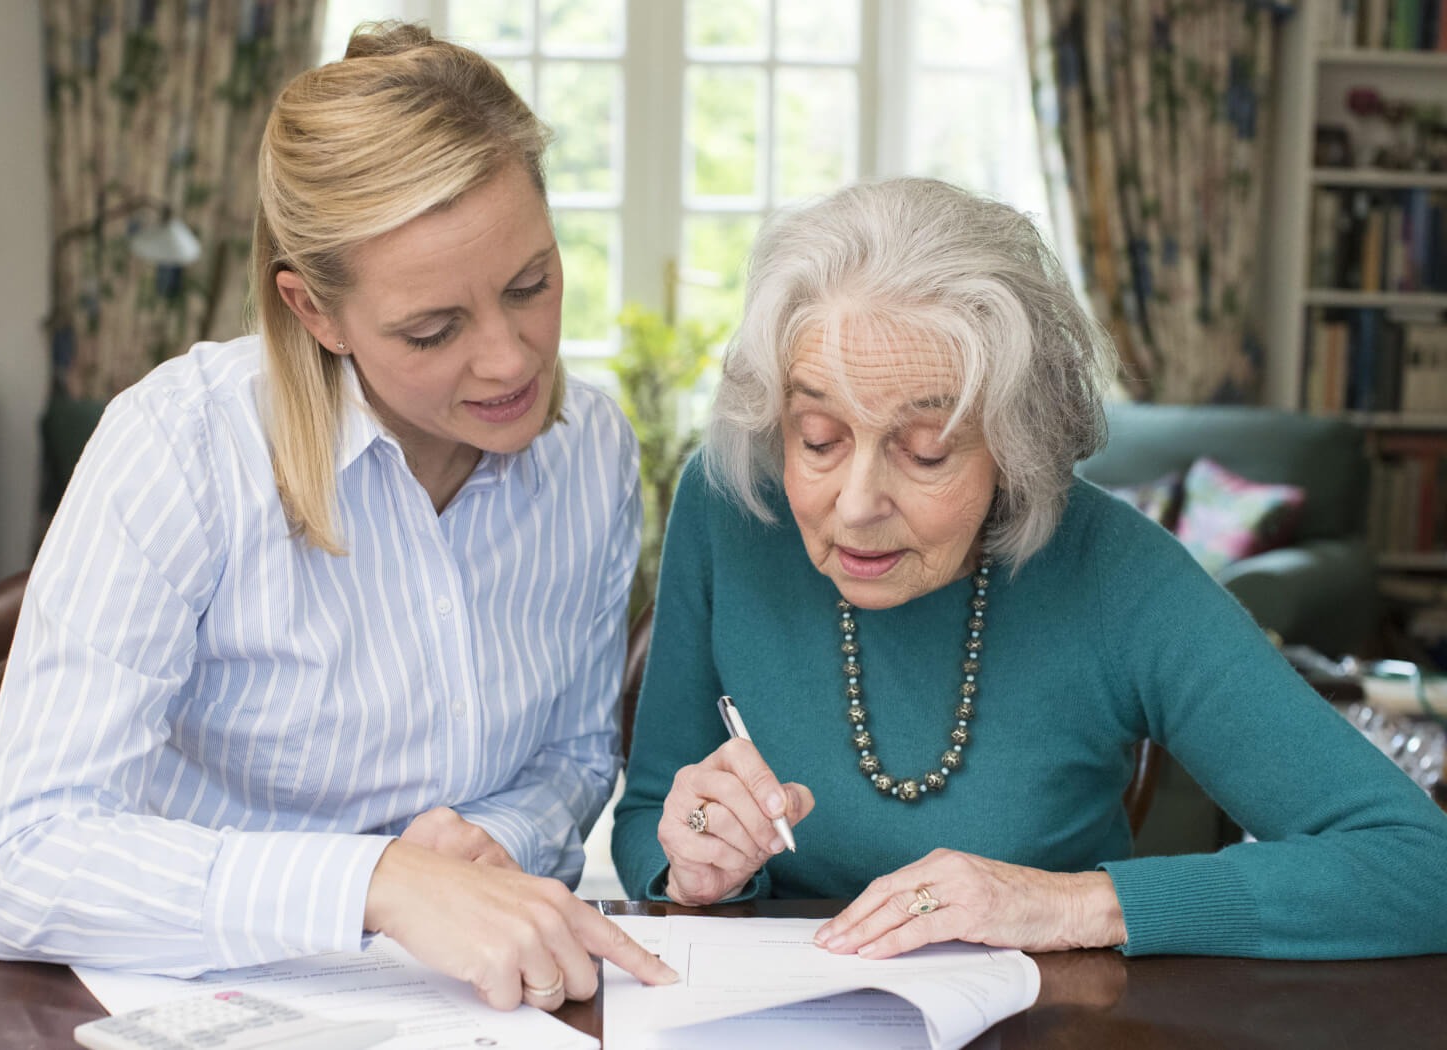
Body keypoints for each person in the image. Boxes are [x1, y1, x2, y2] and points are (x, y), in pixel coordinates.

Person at [0, 22, 676, 1009]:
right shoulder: (181, 448)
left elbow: (572, 756)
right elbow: (24, 860)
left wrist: (493, 846)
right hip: (206, 999)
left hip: (477, 1004)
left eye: (532, 285)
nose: (512, 360)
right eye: (432, 330)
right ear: (313, 311)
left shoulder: (591, 452)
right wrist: (378, 883)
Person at [612, 176, 1447, 959]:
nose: (857, 503)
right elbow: (652, 812)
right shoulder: (732, 504)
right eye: (819, 439)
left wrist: (1064, 904)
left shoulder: (1115, 571)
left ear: (1018, 449)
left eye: (927, 452)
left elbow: (1418, 868)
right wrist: (696, 862)